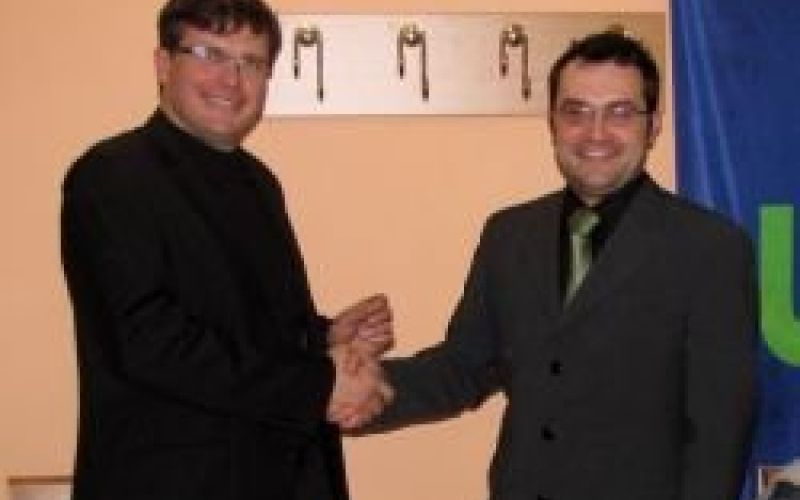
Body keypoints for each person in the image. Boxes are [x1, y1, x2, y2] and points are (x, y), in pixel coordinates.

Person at [357, 31, 757, 499]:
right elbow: (464, 366)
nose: (595, 133)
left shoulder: (710, 247)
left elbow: (720, 432)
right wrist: (357, 387)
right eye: (576, 112)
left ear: (653, 126)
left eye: (620, 113)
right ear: (552, 123)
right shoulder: (509, 235)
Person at [60, 0, 390, 499]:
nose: (231, 80)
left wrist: (321, 335)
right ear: (163, 64)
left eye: (251, 62)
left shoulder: (258, 182)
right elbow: (149, 341)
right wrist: (319, 384)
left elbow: (239, 320)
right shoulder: (112, 176)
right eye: (210, 54)